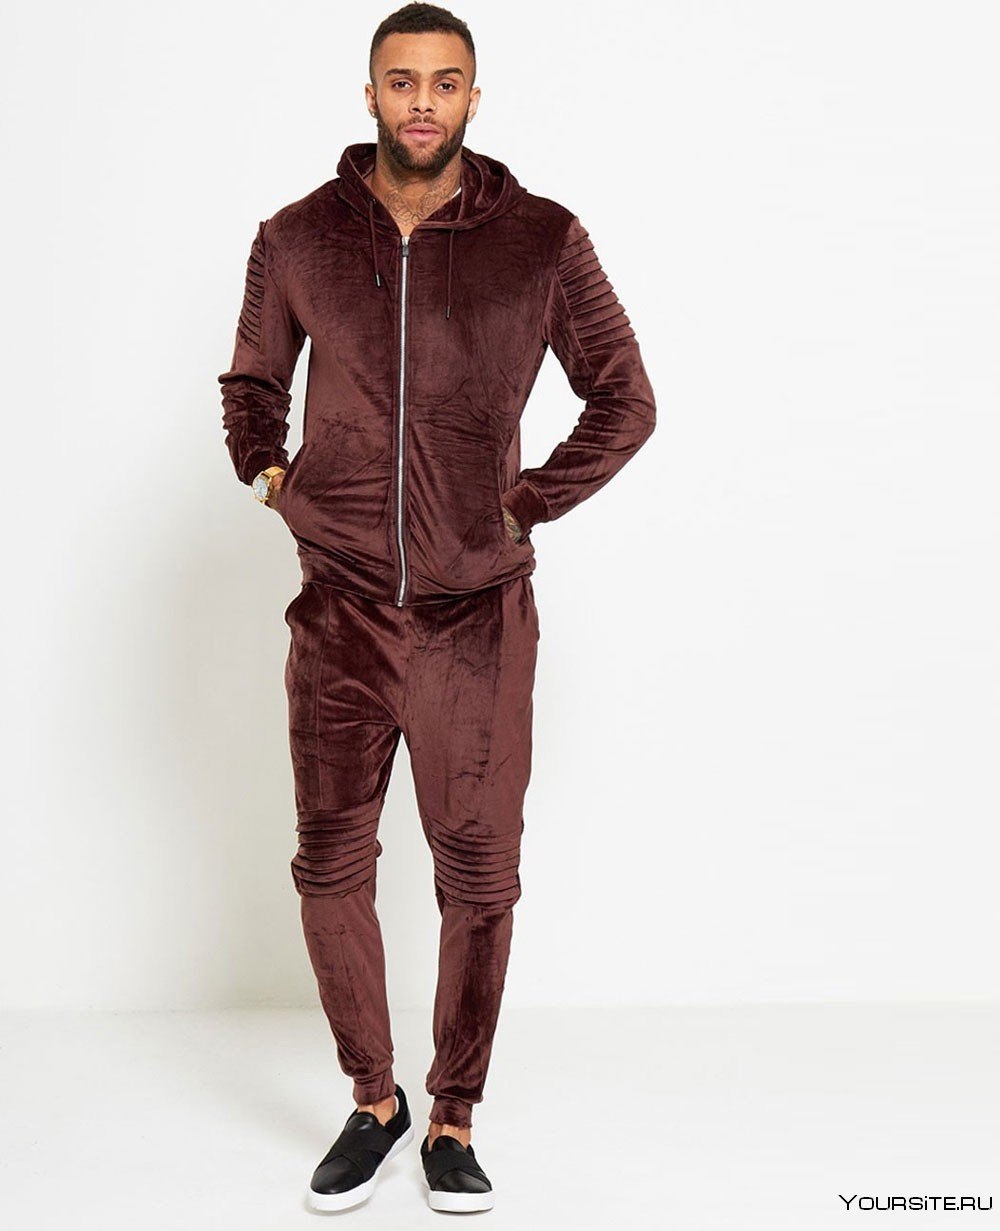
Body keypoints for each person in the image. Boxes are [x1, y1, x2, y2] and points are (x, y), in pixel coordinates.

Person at [217, 2, 656, 1214]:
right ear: (369, 95)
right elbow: (252, 384)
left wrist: (524, 504)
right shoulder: (296, 237)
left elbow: (624, 396)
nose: (422, 101)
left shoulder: (543, 239)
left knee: (478, 877)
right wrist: (276, 479)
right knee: (328, 866)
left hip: (478, 621)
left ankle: (453, 1112)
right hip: (341, 612)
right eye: (401, 81)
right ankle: (375, 1098)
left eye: (444, 82)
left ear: (473, 96)